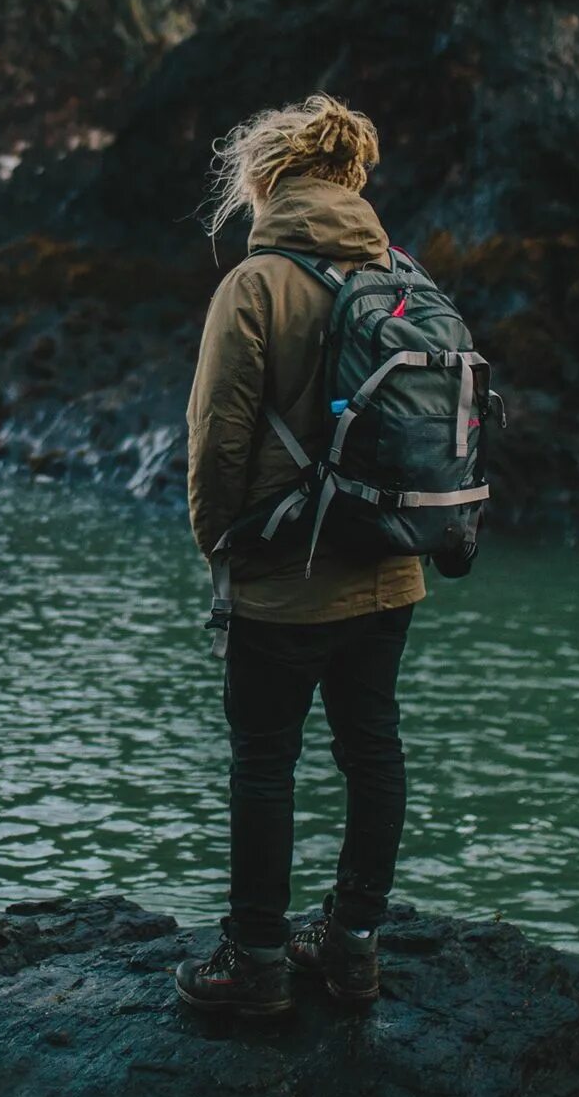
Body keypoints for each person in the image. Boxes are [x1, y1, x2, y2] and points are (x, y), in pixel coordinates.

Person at [174, 93, 419, 1017]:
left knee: (264, 764)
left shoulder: (255, 283)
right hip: (394, 568)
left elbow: (217, 442)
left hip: (284, 580)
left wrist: (221, 549)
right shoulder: (403, 273)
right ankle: (353, 949)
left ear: (267, 177)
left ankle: (257, 962)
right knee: (374, 749)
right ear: (351, 176)